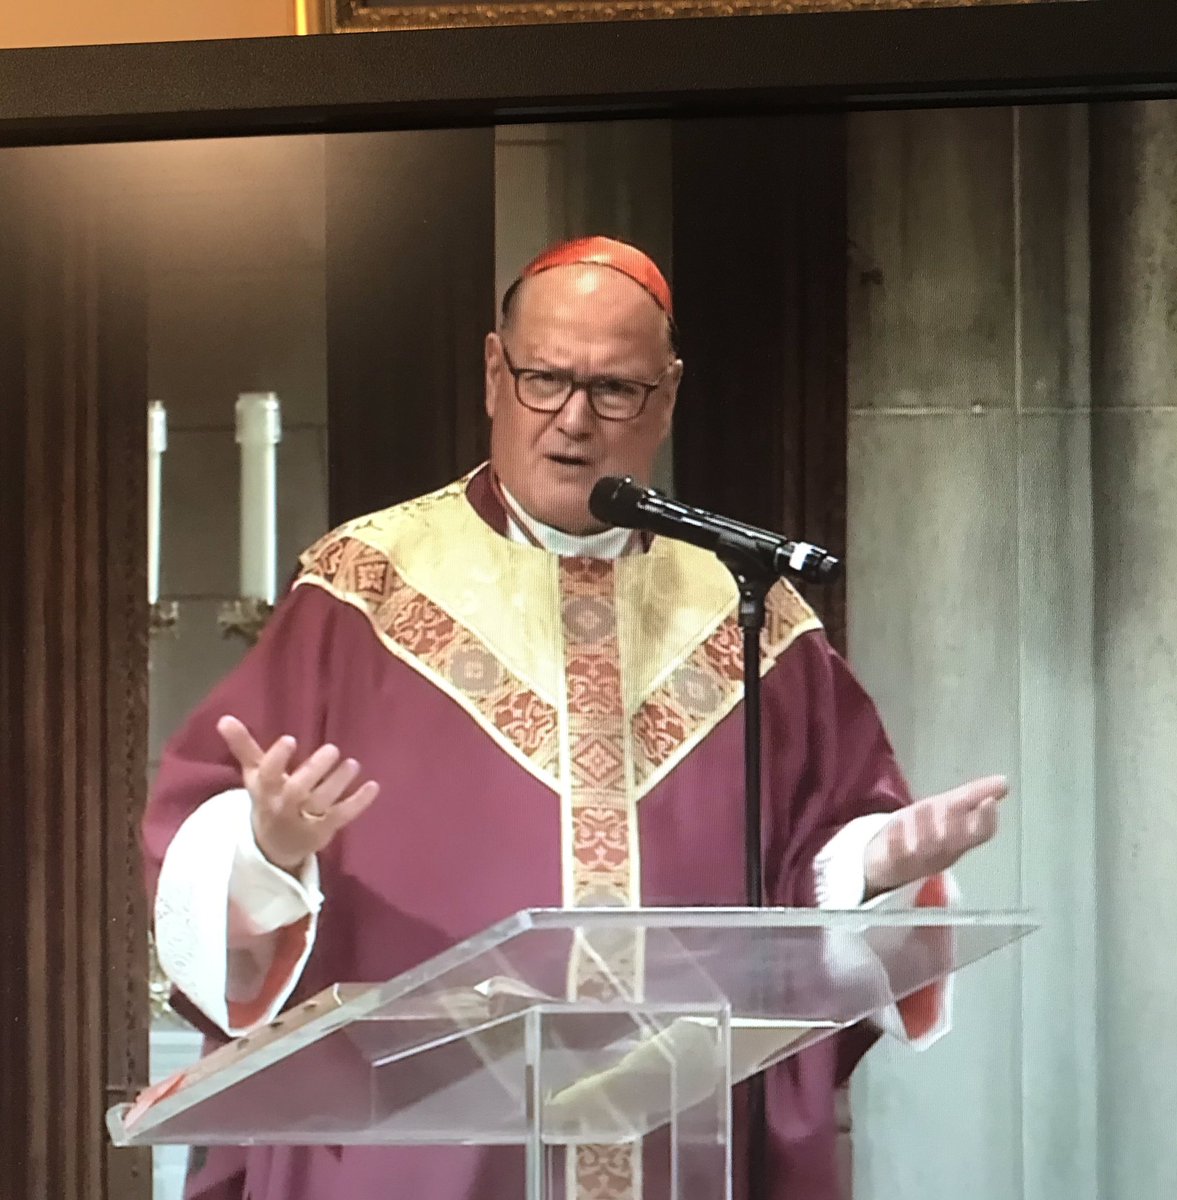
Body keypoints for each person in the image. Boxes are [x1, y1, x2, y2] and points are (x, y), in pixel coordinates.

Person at [143, 236, 1006, 1200]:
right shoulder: (363, 591)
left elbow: (815, 870)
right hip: (417, 1157)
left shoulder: (748, 615)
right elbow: (202, 842)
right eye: (544, 379)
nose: (572, 420)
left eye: (614, 390)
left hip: (683, 1147)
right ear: (493, 373)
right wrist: (265, 852)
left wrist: (869, 871)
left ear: (666, 396)